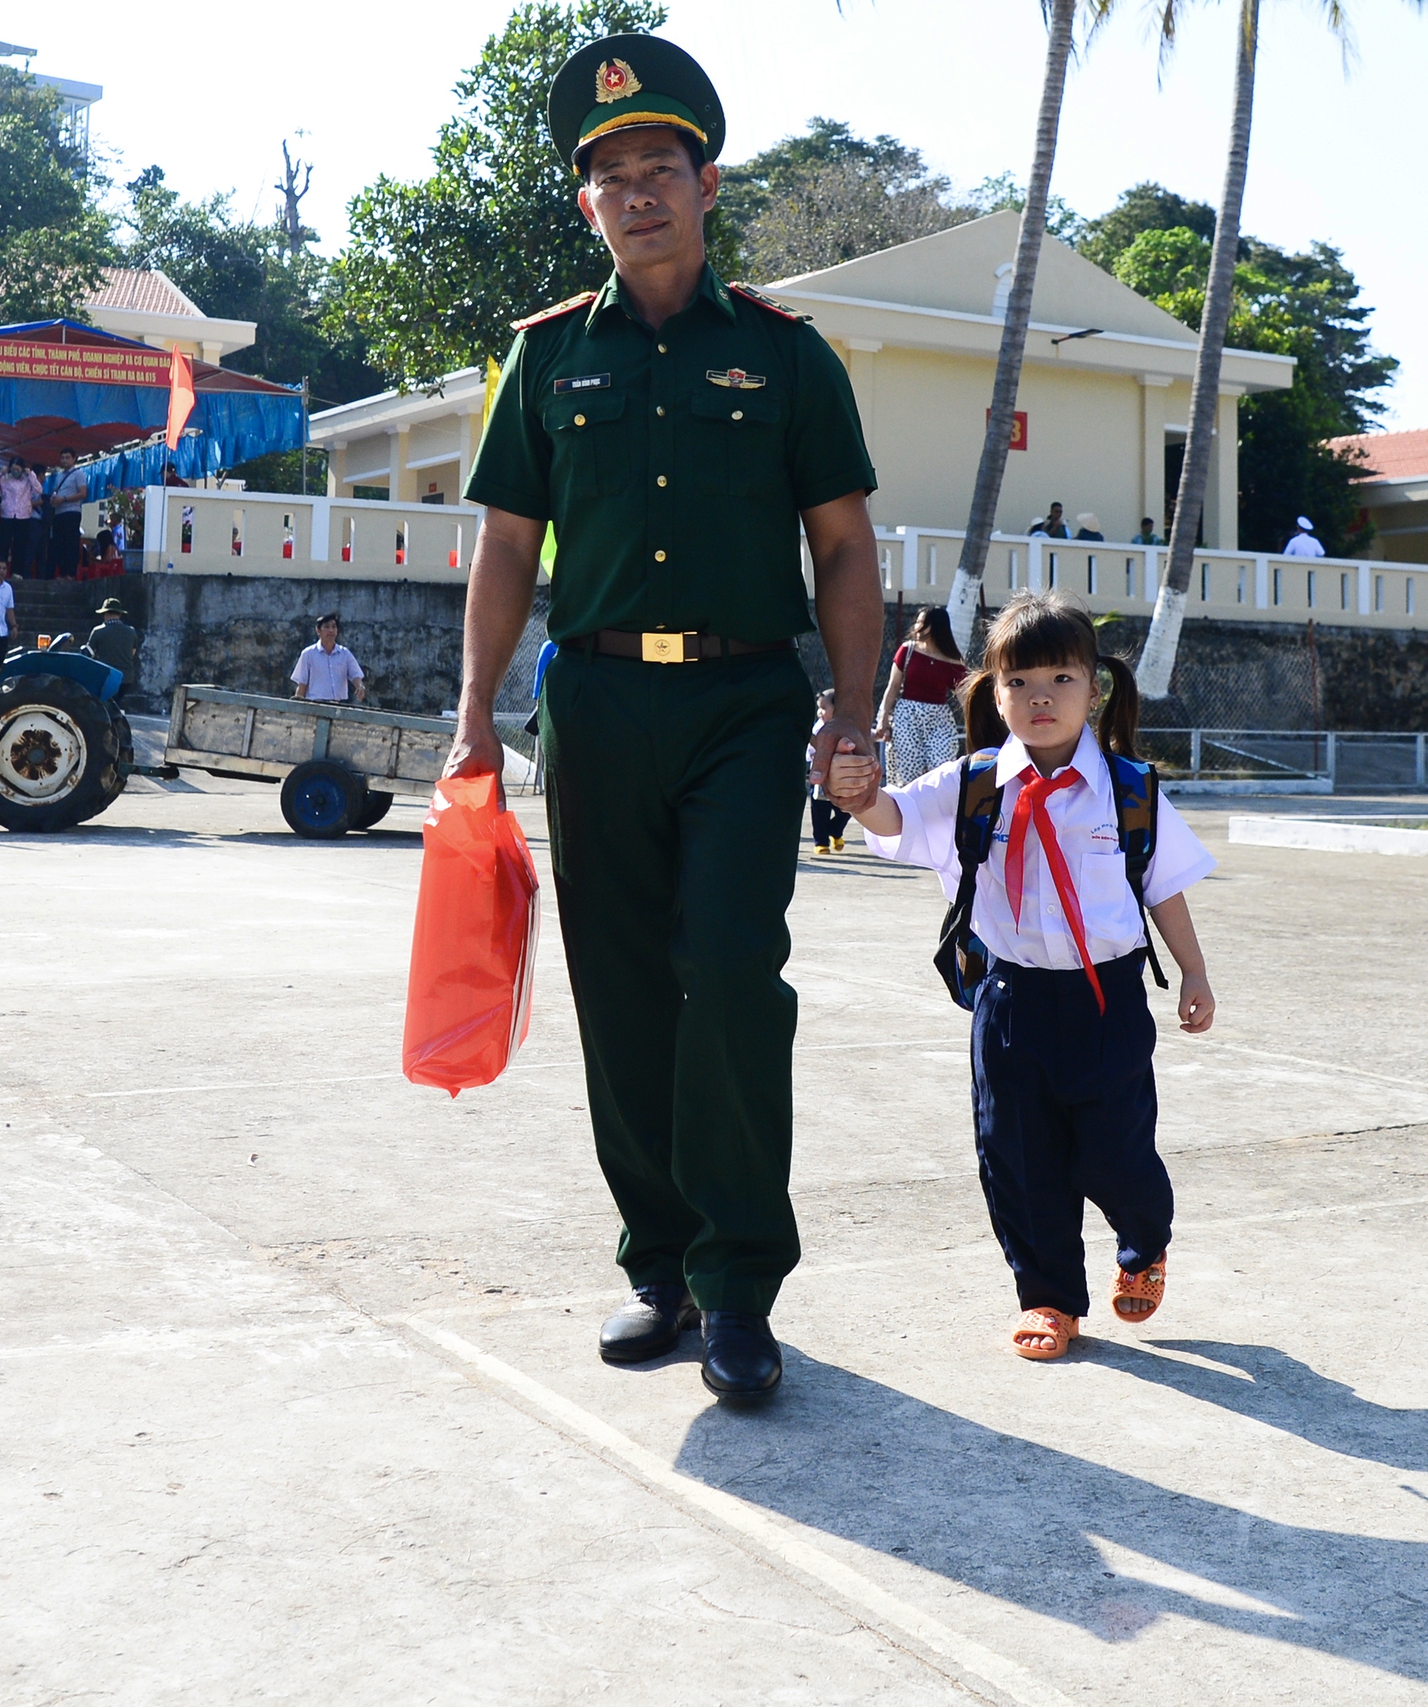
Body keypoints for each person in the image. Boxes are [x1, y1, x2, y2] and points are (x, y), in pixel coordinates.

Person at [450, 32, 883, 1405]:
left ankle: (740, 1280)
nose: (638, 191)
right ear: (588, 206)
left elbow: (847, 548)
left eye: (662, 167)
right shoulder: (545, 360)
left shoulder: (786, 356)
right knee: (622, 983)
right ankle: (661, 1263)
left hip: (744, 700)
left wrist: (855, 713)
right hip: (594, 700)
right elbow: (509, 549)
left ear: (708, 185)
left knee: (734, 969)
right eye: (613, 175)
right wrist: (473, 716)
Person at [824, 593, 1217, 1363]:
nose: (1041, 697)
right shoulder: (972, 784)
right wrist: (859, 794)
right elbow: (898, 820)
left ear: (1093, 690)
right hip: (1009, 1002)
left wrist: (1195, 969)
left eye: (1062, 678)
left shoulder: (1131, 790)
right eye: (1020, 681)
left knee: (1117, 1153)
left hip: (1108, 998)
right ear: (993, 692)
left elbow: (1163, 885)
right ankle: (1048, 1296)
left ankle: (1143, 1242)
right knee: (1019, 1155)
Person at [875, 605, 966, 787]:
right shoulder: (907, 651)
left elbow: (965, 698)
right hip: (907, 715)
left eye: (923, 623)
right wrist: (883, 718)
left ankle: (937, 809)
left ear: (937, 627)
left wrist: (977, 725)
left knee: (942, 768)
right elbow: (892, 687)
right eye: (917, 622)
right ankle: (909, 810)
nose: (917, 627)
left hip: (939, 719)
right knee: (909, 772)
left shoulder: (952, 661)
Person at [805, 688, 851, 855]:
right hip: (820, 776)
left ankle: (835, 830)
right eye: (819, 708)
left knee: (846, 809)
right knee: (819, 810)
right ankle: (821, 841)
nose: (819, 712)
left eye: (823, 708)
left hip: (841, 777)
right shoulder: (818, 729)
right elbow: (810, 750)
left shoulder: (847, 726)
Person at [291, 613, 366, 703]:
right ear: (318, 630)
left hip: (339, 706)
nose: (331, 630)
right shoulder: (308, 654)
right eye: (326, 627)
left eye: (334, 627)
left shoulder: (345, 654)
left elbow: (355, 674)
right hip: (315, 705)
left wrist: (359, 686)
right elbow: (302, 684)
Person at [0, 458, 43, 579]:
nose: (15, 471)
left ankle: (17, 572)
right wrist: (0, 473)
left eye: (18, 469)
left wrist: (31, 474)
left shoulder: (27, 479)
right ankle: (0, 570)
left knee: (20, 545)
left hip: (23, 515)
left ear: (22, 469)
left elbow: (39, 489)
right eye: (13, 469)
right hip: (7, 514)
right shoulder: (5, 478)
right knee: (3, 544)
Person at [48, 463, 90, 575]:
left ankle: (70, 573)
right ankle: (61, 572)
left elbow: (83, 493)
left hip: (72, 512)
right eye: (63, 458)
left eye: (67, 458)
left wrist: (64, 499)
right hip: (59, 513)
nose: (65, 460)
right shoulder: (59, 475)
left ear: (73, 459)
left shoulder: (78, 474)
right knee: (59, 544)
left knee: (71, 544)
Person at [84, 597, 140, 677]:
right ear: (120, 614)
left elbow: (88, 653)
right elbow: (133, 652)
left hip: (106, 676)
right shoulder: (131, 631)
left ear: (105, 614)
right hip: (127, 677)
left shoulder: (98, 631)